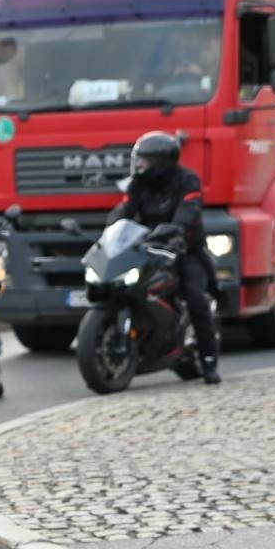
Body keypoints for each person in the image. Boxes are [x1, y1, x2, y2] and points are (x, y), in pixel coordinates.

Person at [108, 130, 220, 385]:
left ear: (161, 161)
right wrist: (112, 229)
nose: (140, 165)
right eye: (139, 160)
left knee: (194, 296)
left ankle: (209, 359)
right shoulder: (138, 184)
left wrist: (176, 230)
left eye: (145, 160)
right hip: (147, 246)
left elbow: (189, 210)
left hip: (184, 248)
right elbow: (125, 209)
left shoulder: (187, 180)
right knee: (122, 286)